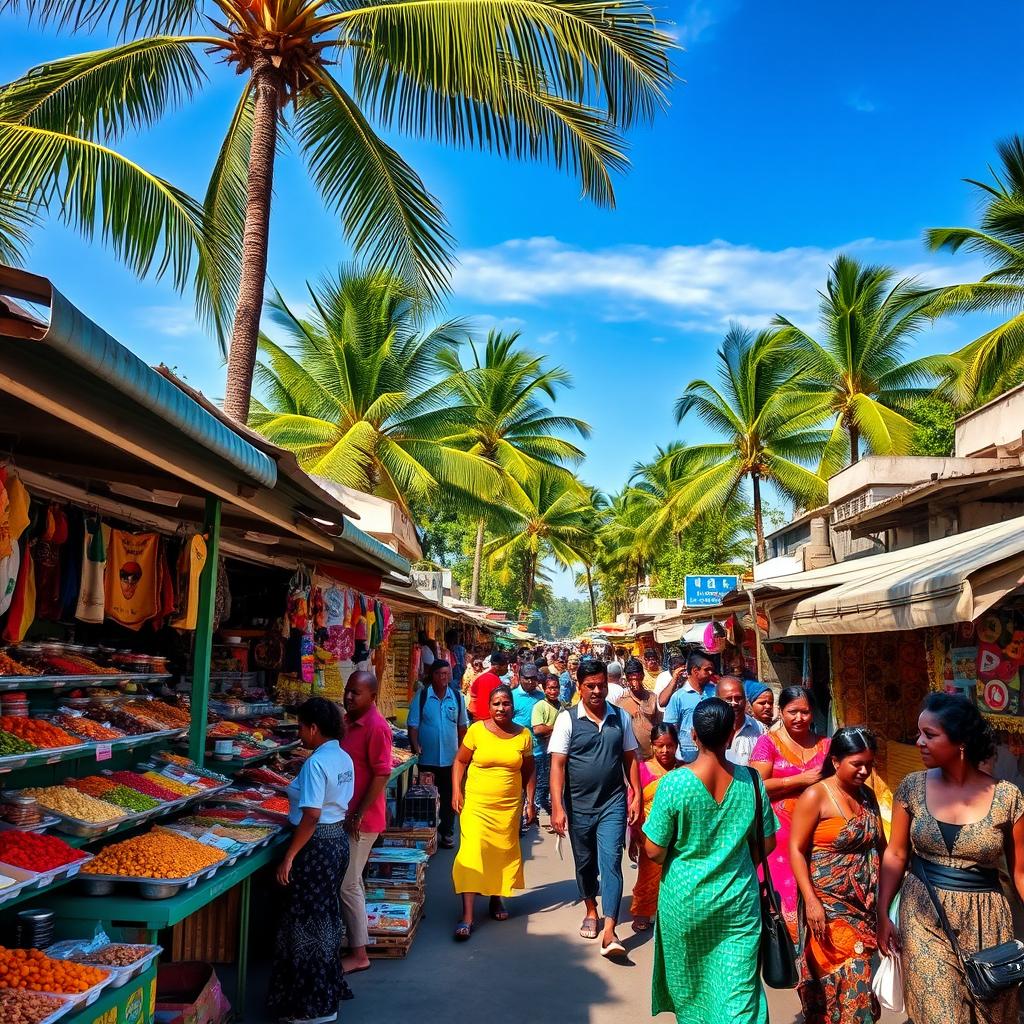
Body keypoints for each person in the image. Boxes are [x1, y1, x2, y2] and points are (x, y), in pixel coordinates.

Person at [877, 693, 1024, 1024]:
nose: (919, 742)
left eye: (930, 735)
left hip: (987, 919)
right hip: (923, 913)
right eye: (919, 733)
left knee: (992, 1015)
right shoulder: (912, 788)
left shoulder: (1008, 798)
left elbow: (1020, 873)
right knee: (940, 1015)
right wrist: (883, 912)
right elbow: (896, 853)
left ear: (960, 741)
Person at [643, 698, 777, 1023]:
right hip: (738, 907)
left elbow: (654, 851)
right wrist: (737, 862)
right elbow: (767, 842)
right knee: (740, 994)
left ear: (693, 736)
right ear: (731, 735)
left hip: (686, 903)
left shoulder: (674, 783)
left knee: (693, 993)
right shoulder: (751, 782)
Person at [268, 698, 354, 1024]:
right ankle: (325, 994)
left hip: (316, 847)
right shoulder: (342, 757)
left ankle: (312, 1006)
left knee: (306, 924)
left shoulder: (316, 764)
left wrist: (289, 855)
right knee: (325, 918)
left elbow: (312, 815)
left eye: (302, 727)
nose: (300, 733)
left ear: (314, 728)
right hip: (337, 843)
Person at [790, 727, 884, 1024]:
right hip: (829, 907)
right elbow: (796, 849)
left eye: (869, 764)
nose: (865, 771)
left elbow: (880, 845)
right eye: (857, 764)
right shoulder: (815, 795)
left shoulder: (868, 797)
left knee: (861, 978)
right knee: (847, 975)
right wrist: (811, 901)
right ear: (835, 762)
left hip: (864, 906)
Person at [549, 659, 642, 958]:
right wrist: (557, 807)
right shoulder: (567, 720)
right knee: (585, 864)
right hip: (579, 807)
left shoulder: (620, 718)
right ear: (579, 687)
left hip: (613, 802)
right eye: (590, 686)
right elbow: (558, 765)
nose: (597, 691)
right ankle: (591, 908)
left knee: (611, 862)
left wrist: (636, 793)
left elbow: (630, 757)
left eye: (601, 685)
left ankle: (610, 929)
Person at [451, 685, 536, 939]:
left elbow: (529, 770)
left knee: (500, 853)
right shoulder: (476, 730)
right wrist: (457, 790)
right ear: (489, 707)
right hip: (476, 805)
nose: (501, 708)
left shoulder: (524, 735)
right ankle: (467, 915)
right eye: (496, 704)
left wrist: (530, 802)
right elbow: (460, 761)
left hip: (508, 807)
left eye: (505, 703)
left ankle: (496, 899)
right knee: (471, 853)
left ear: (513, 706)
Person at [750, 685, 831, 941]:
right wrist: (800, 780)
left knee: (819, 898)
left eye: (805, 712)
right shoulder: (767, 744)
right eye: (792, 711)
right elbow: (757, 785)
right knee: (784, 902)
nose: (799, 718)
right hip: (779, 836)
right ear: (781, 712)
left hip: (819, 836)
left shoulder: (826, 745)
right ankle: (791, 959)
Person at [339, 671, 393, 975]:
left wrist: (358, 813)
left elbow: (382, 774)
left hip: (363, 820)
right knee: (353, 881)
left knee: (348, 885)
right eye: (348, 691)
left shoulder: (375, 727)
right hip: (349, 816)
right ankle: (353, 941)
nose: (348, 697)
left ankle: (360, 953)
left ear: (371, 697)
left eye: (355, 693)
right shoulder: (348, 722)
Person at [407, 660, 468, 849]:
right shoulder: (423, 696)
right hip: (428, 759)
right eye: (440, 674)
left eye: (447, 674)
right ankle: (427, 833)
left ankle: (447, 833)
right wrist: (416, 745)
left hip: (451, 760)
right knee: (428, 797)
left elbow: (462, 727)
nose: (444, 678)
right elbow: (413, 724)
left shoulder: (457, 697)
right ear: (432, 675)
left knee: (450, 794)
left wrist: (463, 752)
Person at [629, 723, 681, 932]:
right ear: (652, 746)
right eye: (660, 746)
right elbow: (634, 801)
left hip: (678, 833)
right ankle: (642, 910)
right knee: (648, 873)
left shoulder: (684, 769)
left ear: (676, 745)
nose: (665, 751)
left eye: (669, 746)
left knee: (675, 874)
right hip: (649, 832)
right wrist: (633, 836)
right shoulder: (642, 770)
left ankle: (670, 911)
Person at [663, 653, 717, 762]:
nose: (711, 673)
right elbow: (669, 727)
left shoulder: (715, 692)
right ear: (695, 670)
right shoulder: (678, 697)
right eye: (707, 670)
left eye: (712, 670)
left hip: (712, 752)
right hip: (687, 756)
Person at [614, 657, 662, 759]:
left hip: (654, 754)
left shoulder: (652, 697)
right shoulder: (621, 702)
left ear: (643, 676)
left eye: (637, 678)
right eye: (631, 680)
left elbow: (659, 724)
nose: (635, 684)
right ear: (627, 679)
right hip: (635, 757)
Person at [531, 674, 563, 822]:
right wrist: (556, 728)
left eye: (555, 688)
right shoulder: (540, 706)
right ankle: (536, 815)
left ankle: (552, 815)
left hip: (557, 751)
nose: (553, 691)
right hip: (542, 752)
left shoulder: (562, 706)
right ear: (544, 689)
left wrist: (549, 729)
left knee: (555, 785)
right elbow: (538, 729)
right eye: (550, 688)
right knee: (542, 785)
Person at [717, 675, 766, 767]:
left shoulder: (760, 729)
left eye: (738, 698)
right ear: (717, 700)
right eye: (728, 699)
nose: (734, 703)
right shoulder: (711, 729)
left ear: (745, 700)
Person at [469, 651, 507, 721]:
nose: (507, 669)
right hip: (482, 722)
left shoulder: (489, 676)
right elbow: (484, 707)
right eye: (506, 666)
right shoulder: (489, 678)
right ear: (498, 667)